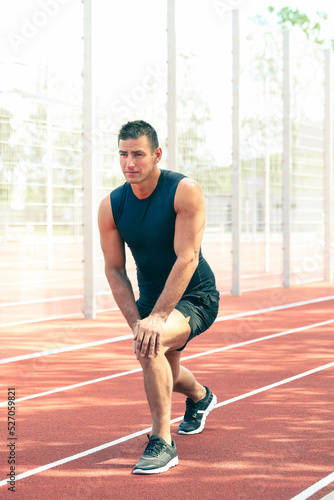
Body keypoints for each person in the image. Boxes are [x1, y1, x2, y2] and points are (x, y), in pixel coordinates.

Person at [98, 120, 220, 475]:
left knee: (149, 344)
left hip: (195, 295)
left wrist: (156, 319)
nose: (129, 163)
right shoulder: (112, 205)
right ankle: (200, 396)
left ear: (157, 155)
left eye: (138, 154)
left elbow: (188, 257)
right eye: (123, 154)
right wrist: (138, 320)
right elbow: (114, 270)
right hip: (152, 301)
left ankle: (162, 442)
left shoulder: (184, 191)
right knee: (165, 365)